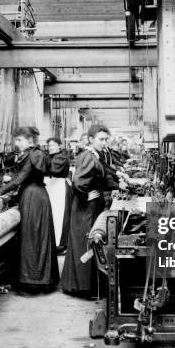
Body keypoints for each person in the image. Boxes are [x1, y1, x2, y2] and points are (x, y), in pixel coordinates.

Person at [0, 126, 58, 294]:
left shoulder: (34, 154)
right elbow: (24, 176)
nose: (16, 143)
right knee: (36, 237)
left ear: (29, 140)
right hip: (35, 196)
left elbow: (21, 179)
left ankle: (33, 283)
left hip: (33, 198)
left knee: (32, 239)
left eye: (19, 140)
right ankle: (40, 280)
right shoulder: (35, 153)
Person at [61, 124, 118, 297]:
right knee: (85, 244)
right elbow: (78, 182)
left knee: (88, 243)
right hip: (85, 209)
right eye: (101, 139)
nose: (104, 142)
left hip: (90, 208)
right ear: (91, 139)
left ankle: (85, 285)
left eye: (106, 139)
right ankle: (82, 288)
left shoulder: (95, 155)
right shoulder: (88, 156)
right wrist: (87, 196)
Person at [44, 137, 72, 254]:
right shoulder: (52, 156)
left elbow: (53, 170)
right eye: (49, 146)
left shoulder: (61, 157)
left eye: (53, 145)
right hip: (51, 188)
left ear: (59, 146)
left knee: (59, 217)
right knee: (53, 216)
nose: (50, 148)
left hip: (59, 188)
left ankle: (60, 245)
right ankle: (53, 243)